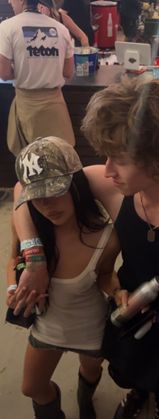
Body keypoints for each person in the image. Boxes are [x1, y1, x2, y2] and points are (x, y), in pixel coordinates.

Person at [12, 77, 159, 419]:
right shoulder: (111, 184)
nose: (107, 169)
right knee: (134, 369)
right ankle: (137, 392)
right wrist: (35, 258)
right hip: (127, 313)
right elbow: (22, 189)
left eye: (118, 158)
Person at [6, 136, 121, 419]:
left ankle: (85, 401)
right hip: (47, 325)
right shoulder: (28, 226)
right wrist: (13, 285)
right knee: (31, 387)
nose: (46, 205)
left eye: (55, 191)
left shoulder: (107, 237)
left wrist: (118, 291)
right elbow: (13, 260)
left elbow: (104, 274)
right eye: (37, 197)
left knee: (91, 370)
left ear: (76, 186)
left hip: (90, 325)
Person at [0, 0, 76, 157]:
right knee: (58, 160)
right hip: (55, 106)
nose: (8, 1)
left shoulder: (7, 27)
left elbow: (4, 73)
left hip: (27, 108)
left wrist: (22, 69)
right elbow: (68, 72)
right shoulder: (61, 29)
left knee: (30, 162)